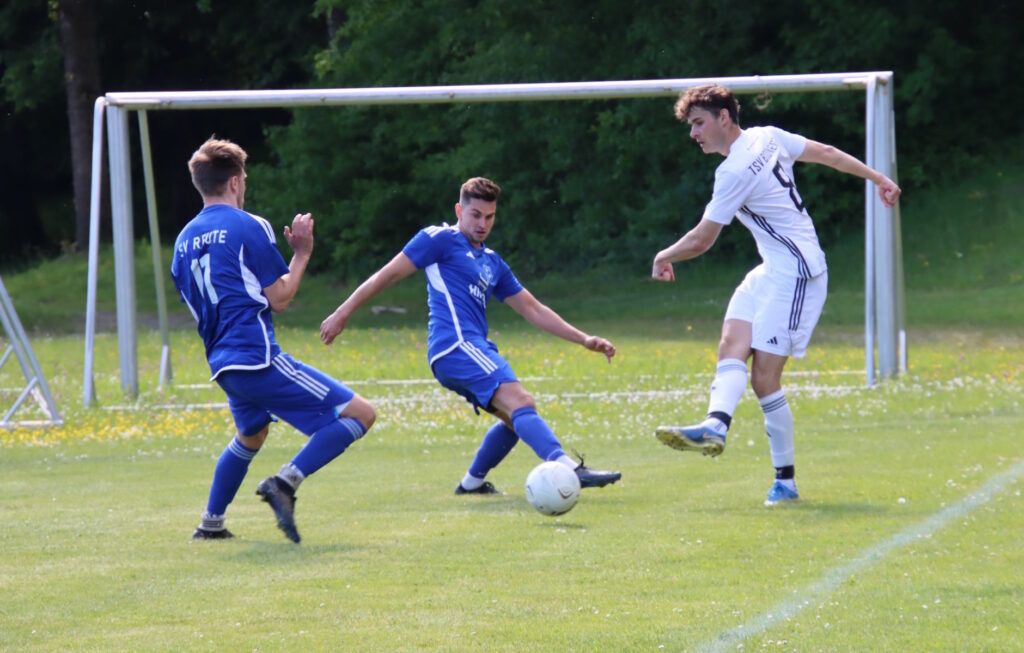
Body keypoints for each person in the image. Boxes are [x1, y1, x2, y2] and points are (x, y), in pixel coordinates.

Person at [651, 85, 901, 506]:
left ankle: (785, 483)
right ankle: (715, 425)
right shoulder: (766, 136)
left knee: (764, 379)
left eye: (698, 123)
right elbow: (826, 153)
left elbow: (702, 240)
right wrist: (877, 177)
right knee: (732, 343)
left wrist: (664, 255)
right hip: (772, 269)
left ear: (724, 117)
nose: (693, 134)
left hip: (799, 274)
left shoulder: (733, 171)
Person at [320, 177, 621, 494]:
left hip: (468, 349)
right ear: (458, 210)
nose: (482, 224)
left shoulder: (492, 262)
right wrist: (342, 312)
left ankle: (471, 484)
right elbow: (387, 274)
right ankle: (569, 469)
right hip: (455, 346)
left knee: (516, 418)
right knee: (521, 401)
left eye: (489, 217)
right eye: (475, 215)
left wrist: (584, 339)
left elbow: (533, 309)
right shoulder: (438, 239)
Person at [171, 137, 376, 543]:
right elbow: (279, 299)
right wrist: (301, 254)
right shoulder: (248, 225)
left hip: (223, 364)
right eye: (244, 179)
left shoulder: (182, 242)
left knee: (252, 435)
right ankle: (285, 483)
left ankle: (211, 524)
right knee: (360, 414)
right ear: (234, 182)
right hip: (256, 357)